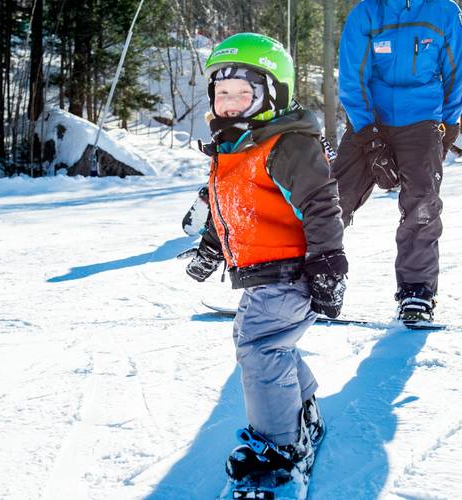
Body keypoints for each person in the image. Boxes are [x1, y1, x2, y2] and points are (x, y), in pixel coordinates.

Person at [184, 33, 347, 486]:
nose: (231, 104)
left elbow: (321, 204)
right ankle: (303, 410)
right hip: (262, 274)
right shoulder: (232, 149)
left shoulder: (286, 145)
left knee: (261, 347)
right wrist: (210, 248)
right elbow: (227, 209)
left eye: (244, 93)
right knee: (268, 343)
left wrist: (329, 264)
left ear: (272, 95)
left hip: (291, 271)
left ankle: (280, 449)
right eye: (223, 93)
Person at [333, 0, 462, 324]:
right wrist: (368, 136)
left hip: (421, 119)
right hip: (369, 119)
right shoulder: (366, 13)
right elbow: (352, 77)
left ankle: (417, 291)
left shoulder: (444, 12)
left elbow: (456, 72)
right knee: (330, 198)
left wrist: (448, 125)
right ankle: (310, 276)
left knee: (422, 204)